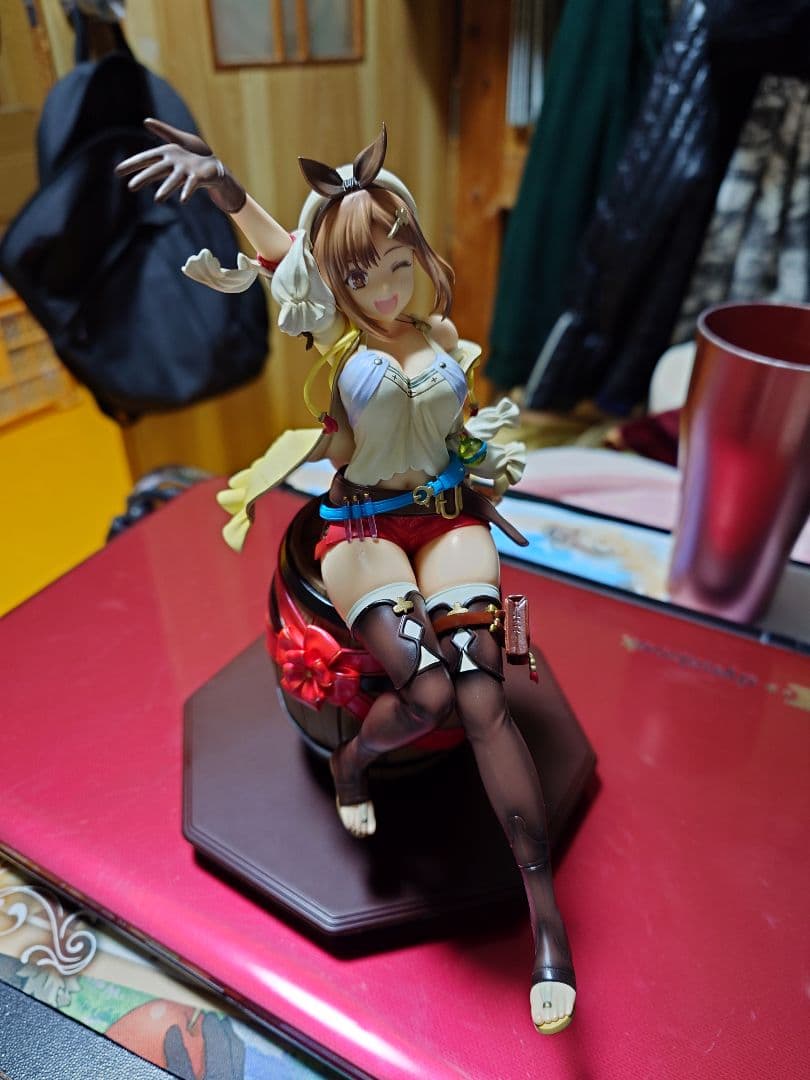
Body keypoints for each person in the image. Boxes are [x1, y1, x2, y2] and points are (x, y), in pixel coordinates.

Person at [117, 122, 576, 1034]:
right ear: (337, 282)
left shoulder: (441, 334)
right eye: (362, 275)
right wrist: (226, 187)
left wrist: (484, 473)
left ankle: (548, 924)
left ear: (417, 253)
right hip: (362, 525)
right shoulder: (335, 337)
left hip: (446, 519)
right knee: (430, 691)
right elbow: (282, 253)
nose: (384, 287)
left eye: (396, 263)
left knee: (483, 690)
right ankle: (352, 761)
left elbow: (455, 434)